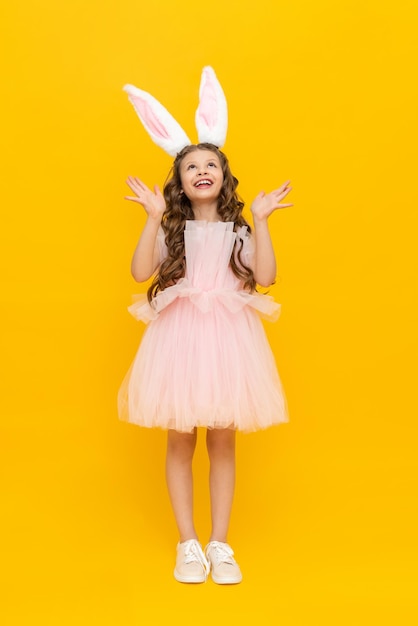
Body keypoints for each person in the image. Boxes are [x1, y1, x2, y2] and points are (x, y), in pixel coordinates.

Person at [118, 141, 292, 584]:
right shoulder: (172, 230)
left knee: (223, 442)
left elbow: (267, 277)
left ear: (224, 176)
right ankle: (188, 544)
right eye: (191, 166)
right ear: (179, 182)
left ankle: (220, 543)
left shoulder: (240, 230)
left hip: (228, 342)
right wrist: (153, 217)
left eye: (210, 164)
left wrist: (263, 220)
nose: (201, 170)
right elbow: (140, 272)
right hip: (180, 341)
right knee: (180, 440)